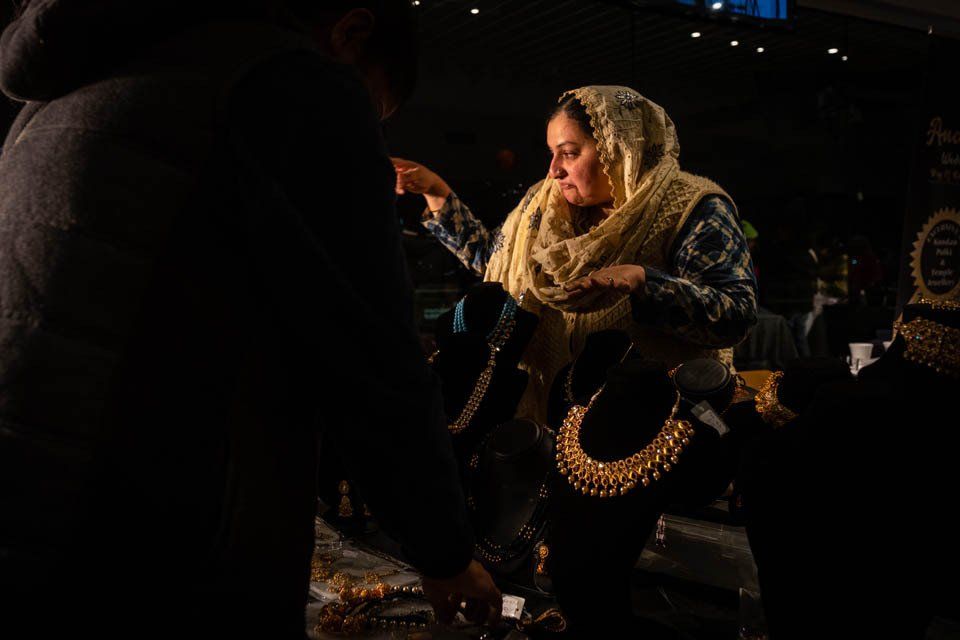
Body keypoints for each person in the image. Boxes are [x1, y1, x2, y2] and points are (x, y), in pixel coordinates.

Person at [0, 1, 500, 637]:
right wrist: (445, 551)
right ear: (351, 31)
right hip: (157, 542)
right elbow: (372, 357)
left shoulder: (65, 85)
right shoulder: (291, 84)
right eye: (374, 113)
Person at [395, 87, 758, 420]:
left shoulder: (689, 206)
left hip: (654, 427)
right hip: (552, 421)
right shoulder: (542, 207)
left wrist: (646, 282)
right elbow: (496, 262)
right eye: (552, 153)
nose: (554, 170)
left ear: (619, 148)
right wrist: (436, 191)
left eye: (569, 153)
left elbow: (735, 314)